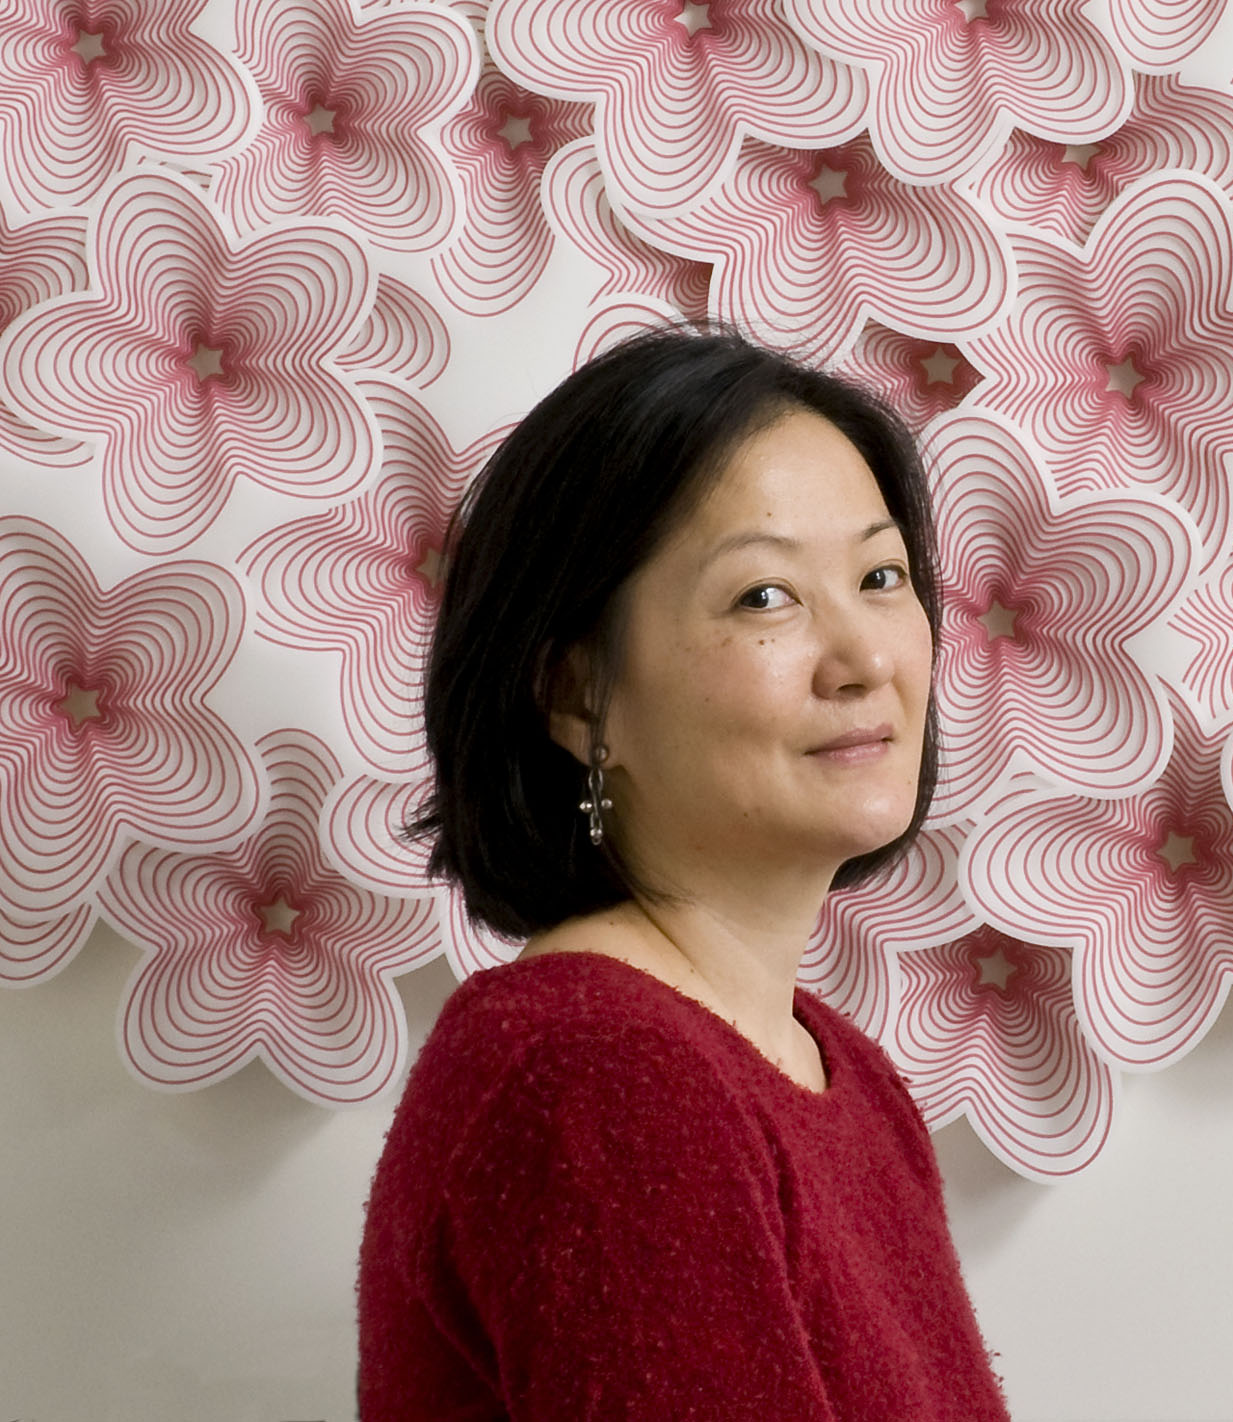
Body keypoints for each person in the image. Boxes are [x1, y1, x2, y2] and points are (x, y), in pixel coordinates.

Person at [356, 325, 1010, 1420]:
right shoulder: (592, 1070)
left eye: (880, 576)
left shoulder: (835, 1071)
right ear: (574, 695)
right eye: (765, 597)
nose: (863, 659)